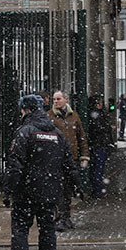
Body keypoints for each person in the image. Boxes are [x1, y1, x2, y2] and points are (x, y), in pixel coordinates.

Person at [3, 94, 77, 250]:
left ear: (25, 110)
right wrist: (76, 185)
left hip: (25, 193)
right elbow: (69, 163)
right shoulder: (56, 133)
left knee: (20, 230)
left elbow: (15, 165)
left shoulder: (24, 132)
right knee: (47, 229)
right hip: (50, 192)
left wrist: (9, 190)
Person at [48, 90, 89, 231]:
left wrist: (84, 155)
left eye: (58, 99)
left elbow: (81, 136)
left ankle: (66, 217)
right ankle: (59, 218)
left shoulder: (74, 116)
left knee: (68, 190)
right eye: (54, 99)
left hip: (71, 159)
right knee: (58, 190)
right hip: (56, 159)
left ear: (66, 99)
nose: (56, 101)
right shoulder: (50, 116)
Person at [87, 94, 116, 199]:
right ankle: (97, 189)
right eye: (99, 102)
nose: (101, 104)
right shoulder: (95, 115)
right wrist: (108, 128)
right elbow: (98, 128)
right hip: (99, 144)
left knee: (97, 168)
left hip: (99, 144)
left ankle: (96, 188)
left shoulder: (97, 114)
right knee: (98, 168)